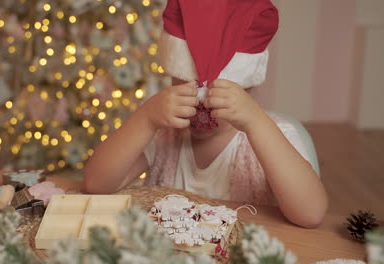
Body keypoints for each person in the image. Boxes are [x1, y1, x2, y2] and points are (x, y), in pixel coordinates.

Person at [84, 0, 328, 228]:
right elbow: (96, 183)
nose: (200, 108)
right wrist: (145, 119)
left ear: (247, 91)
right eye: (185, 88)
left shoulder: (273, 135)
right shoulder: (164, 134)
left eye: (216, 96)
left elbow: (310, 214)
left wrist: (256, 123)